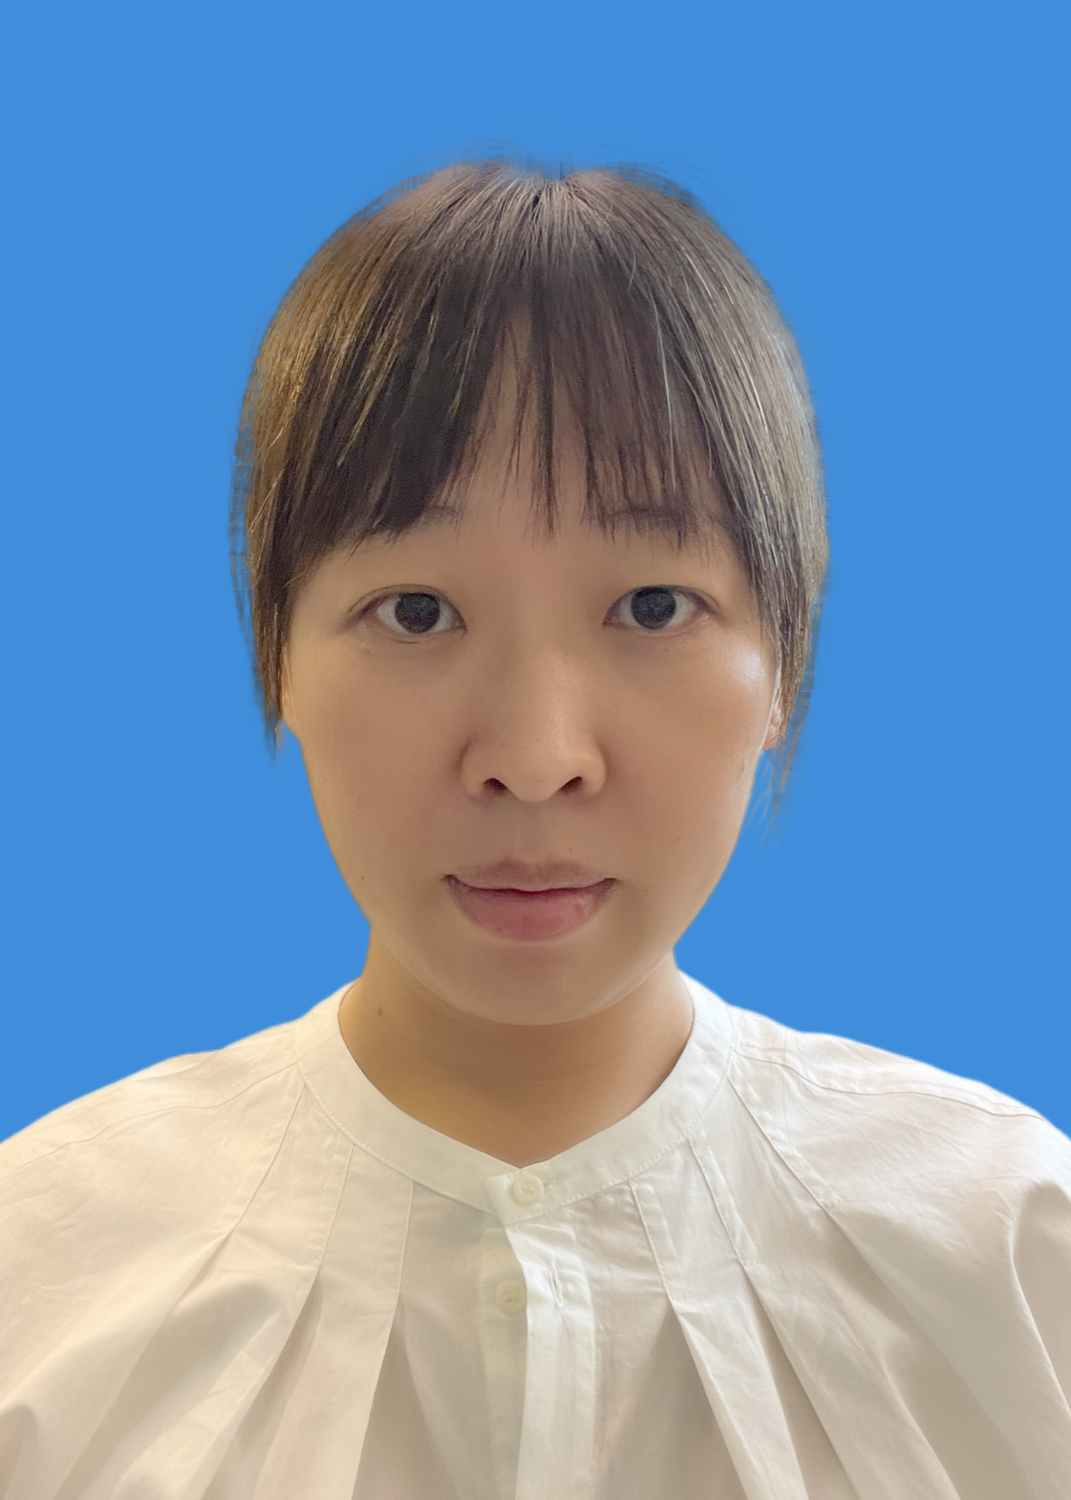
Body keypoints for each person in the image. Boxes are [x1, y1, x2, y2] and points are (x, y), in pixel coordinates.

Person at [0, 161, 1067, 1500]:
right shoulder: (44, 1273)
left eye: (654, 607)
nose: (535, 758)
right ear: (278, 661)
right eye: (417, 613)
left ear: (784, 671)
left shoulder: (1012, 1262)